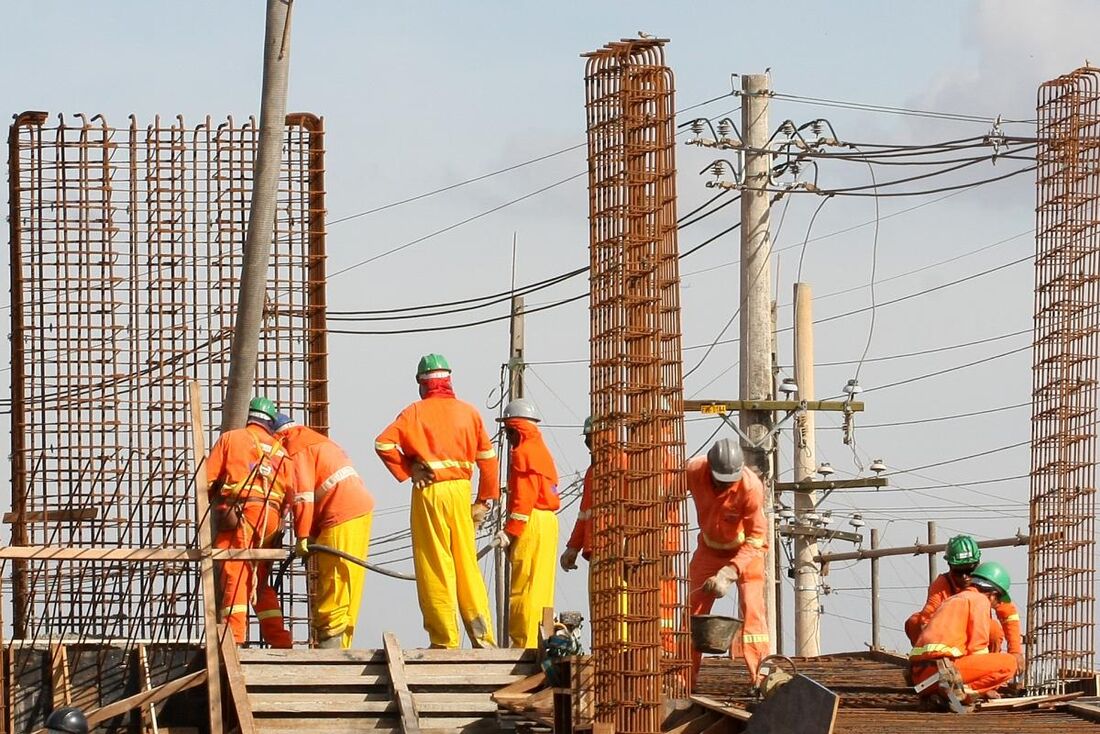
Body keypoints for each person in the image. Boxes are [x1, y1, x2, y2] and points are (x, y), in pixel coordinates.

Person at [374, 353, 499, 648]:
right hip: (460, 491)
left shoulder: (413, 413)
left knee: (435, 565)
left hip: (429, 491)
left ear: (422, 384)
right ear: (449, 381)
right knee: (467, 566)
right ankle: (483, 638)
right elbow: (489, 461)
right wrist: (483, 501)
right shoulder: (469, 413)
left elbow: (383, 443)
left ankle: (444, 640)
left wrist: (409, 468)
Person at [276, 414, 375, 648]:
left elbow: (304, 496)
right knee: (348, 583)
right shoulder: (313, 441)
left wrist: (302, 536)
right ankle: (342, 648)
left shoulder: (297, 448)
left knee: (335, 579)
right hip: (357, 510)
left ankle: (331, 647)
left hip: (339, 512)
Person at [206, 396, 293, 647]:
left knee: (236, 572)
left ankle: (235, 640)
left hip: (243, 512)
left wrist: (219, 503)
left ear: (249, 417)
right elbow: (289, 497)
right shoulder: (282, 452)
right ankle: (280, 640)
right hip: (272, 519)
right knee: (259, 579)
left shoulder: (232, 439)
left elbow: (208, 481)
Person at [686, 438, 769, 686]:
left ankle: (760, 678)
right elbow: (666, 493)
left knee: (753, 611)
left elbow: (756, 537)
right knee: (692, 611)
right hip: (709, 549)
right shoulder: (693, 471)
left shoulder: (750, 487)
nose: (725, 486)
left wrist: (729, 572)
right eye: (720, 481)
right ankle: (685, 679)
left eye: (729, 481)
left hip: (746, 553)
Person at [495, 398, 561, 648]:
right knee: (541, 584)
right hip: (547, 522)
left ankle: (523, 642)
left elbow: (524, 498)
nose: (507, 437)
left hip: (532, 521)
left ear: (515, 429)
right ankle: (539, 638)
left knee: (524, 583)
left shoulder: (524, 453)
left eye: (508, 431)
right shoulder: (542, 452)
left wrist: (510, 532)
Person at [908, 561, 1018, 710]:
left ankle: (941, 695)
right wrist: (986, 688)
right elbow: (977, 650)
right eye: (997, 600)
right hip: (944, 674)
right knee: (1009, 663)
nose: (996, 604)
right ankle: (964, 694)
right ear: (992, 595)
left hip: (920, 677)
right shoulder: (980, 601)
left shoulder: (954, 598)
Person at [905, 535, 1023, 672]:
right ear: (949, 566)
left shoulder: (988, 583)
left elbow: (1009, 616)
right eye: (959, 572)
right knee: (914, 622)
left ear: (978, 563)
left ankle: (989, 671)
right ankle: (926, 666)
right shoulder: (942, 585)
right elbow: (927, 614)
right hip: (952, 644)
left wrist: (1015, 651)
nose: (965, 577)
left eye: (969, 570)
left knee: (994, 630)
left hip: (978, 641)